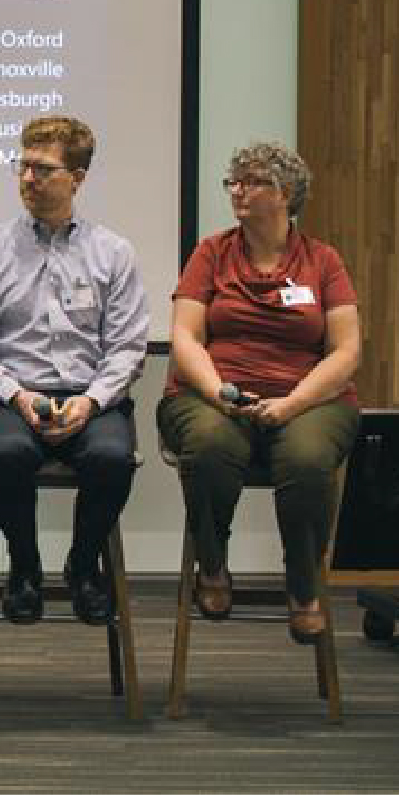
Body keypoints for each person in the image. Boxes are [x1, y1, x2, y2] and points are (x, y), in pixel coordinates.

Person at [157, 141, 360, 644]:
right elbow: (185, 336)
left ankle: (303, 588)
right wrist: (220, 392)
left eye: (251, 181)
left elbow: (346, 351)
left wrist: (292, 404)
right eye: (234, 181)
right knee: (208, 446)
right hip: (212, 394)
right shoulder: (211, 253)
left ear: (286, 193)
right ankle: (213, 563)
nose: (237, 191)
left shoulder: (322, 262)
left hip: (307, 398)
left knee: (310, 458)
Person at [0, 116, 149, 626]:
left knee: (112, 458)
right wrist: (18, 397)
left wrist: (91, 401)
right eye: (22, 166)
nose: (27, 179)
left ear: (77, 178)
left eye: (42, 169)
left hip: (90, 392)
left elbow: (128, 346)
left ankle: (84, 566)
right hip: (12, 395)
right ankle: (23, 567)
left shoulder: (113, 252)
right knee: (8, 453)